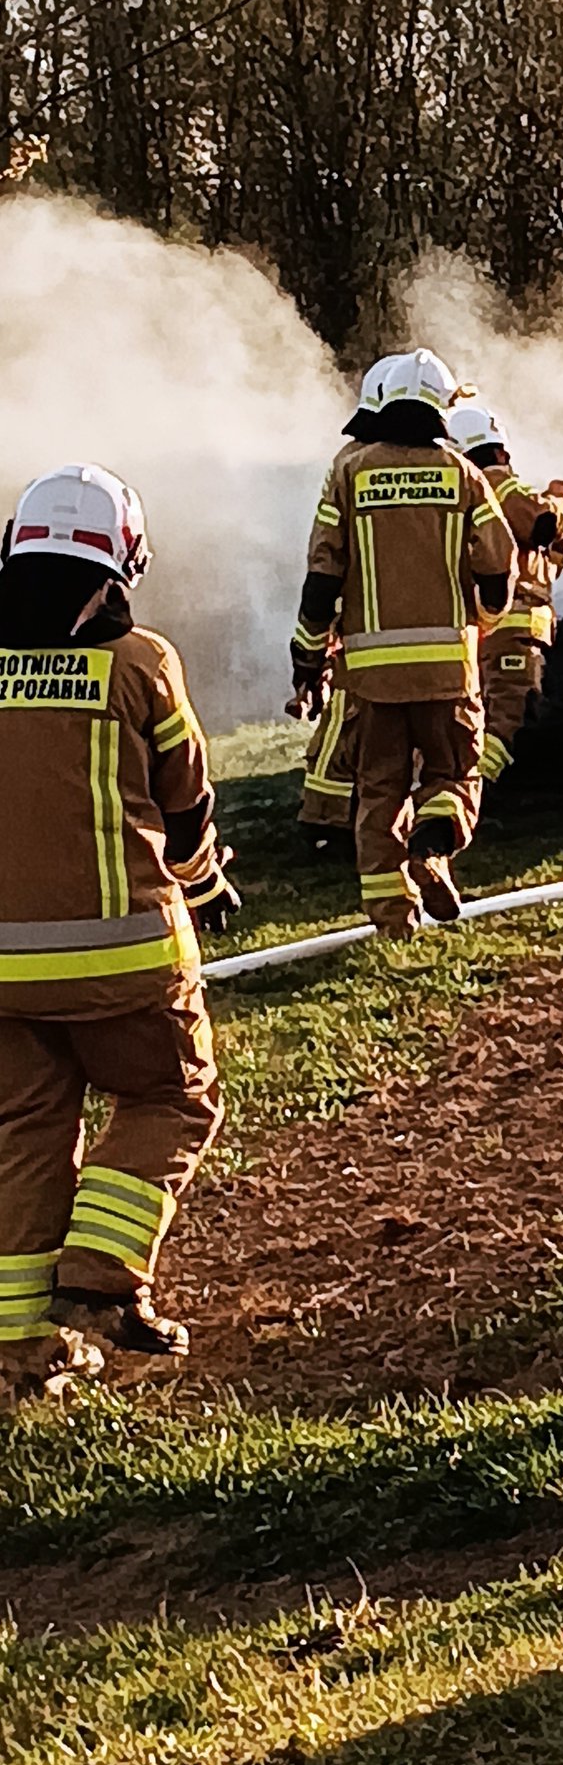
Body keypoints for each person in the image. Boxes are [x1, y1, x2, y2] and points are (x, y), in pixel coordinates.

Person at [0, 465, 236, 1405]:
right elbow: (186, 800)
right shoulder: (140, 662)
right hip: (127, 959)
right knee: (171, 1099)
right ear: (121, 561)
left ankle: (22, 1350)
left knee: (24, 1131)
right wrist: (206, 878)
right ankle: (101, 1275)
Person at [289, 348, 514, 937]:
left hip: (371, 676)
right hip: (447, 670)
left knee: (379, 790)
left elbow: (321, 577)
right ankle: (432, 848)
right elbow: (498, 563)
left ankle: (393, 916)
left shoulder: (349, 472)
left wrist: (307, 655)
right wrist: (486, 616)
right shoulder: (463, 476)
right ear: (442, 407)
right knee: (455, 772)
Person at [443, 402, 563, 786]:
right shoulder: (493, 482)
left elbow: (540, 565)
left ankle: (455, 787)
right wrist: (562, 502)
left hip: (493, 630)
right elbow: (540, 521)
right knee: (509, 714)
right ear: (500, 450)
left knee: (481, 713)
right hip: (510, 634)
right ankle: (470, 791)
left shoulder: (457, 492)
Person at [297, 355, 404, 846]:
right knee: (346, 715)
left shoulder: (361, 461)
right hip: (362, 616)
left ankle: (343, 814)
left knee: (360, 719)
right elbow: (327, 555)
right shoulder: (354, 464)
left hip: (371, 614)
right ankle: (326, 818)